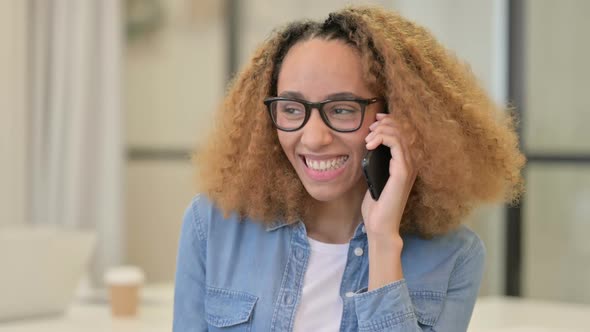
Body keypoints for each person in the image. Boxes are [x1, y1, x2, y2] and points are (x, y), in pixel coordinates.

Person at [173, 6, 525, 332]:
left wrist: (383, 239)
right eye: (292, 109)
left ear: (399, 116)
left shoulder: (454, 256)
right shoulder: (213, 225)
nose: (313, 138)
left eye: (342, 109)